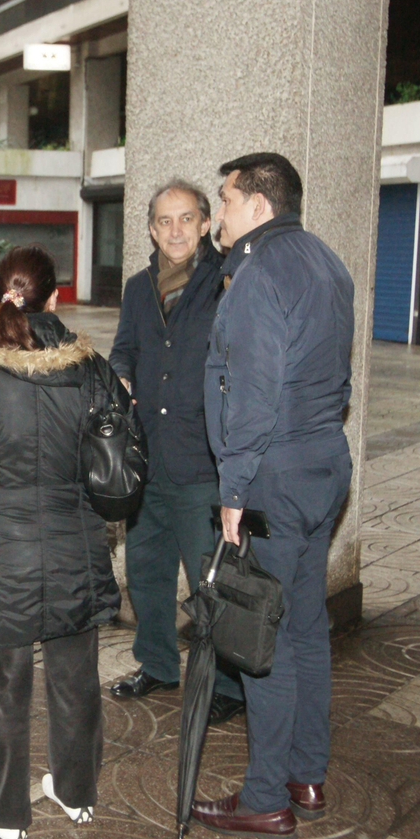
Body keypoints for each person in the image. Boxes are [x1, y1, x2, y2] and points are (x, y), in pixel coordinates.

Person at [0, 245, 120, 839]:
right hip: (74, 549)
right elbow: (120, 464)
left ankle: (5, 812)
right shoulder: (92, 370)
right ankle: (76, 790)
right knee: (76, 676)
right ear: (55, 298)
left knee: (3, 687)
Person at [192, 152, 354, 839]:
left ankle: (263, 797)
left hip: (274, 474)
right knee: (309, 627)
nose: (218, 215)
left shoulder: (259, 274)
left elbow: (253, 392)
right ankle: (304, 774)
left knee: (265, 633)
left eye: (224, 201)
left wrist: (234, 488)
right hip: (323, 464)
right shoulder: (327, 262)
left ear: (259, 205)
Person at [107, 180, 247, 722]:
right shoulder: (139, 288)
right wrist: (120, 375)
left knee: (210, 581)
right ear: (150, 229)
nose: (175, 231)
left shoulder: (227, 283)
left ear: (206, 223)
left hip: (201, 461)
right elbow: (126, 349)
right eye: (164, 221)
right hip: (146, 459)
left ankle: (228, 689)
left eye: (186, 219)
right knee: (147, 572)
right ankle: (158, 664)